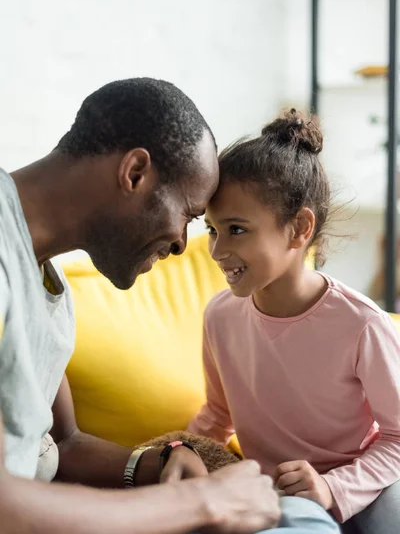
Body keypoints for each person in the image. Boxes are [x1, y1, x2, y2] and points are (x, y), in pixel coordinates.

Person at [0, 79, 339, 533]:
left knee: (298, 517)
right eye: (190, 215)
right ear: (135, 173)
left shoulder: (47, 286)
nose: (184, 243)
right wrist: (202, 503)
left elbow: (64, 443)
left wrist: (162, 462)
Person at [189, 108, 400, 534]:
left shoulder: (362, 324)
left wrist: (331, 487)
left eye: (237, 229)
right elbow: (216, 416)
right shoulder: (220, 317)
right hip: (284, 501)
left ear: (300, 227)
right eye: (212, 230)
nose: (216, 251)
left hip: (369, 488)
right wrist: (175, 454)